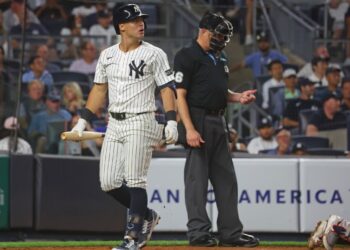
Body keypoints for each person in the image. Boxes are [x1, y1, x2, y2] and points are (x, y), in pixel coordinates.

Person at [70, 4, 178, 250]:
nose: (141, 24)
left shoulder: (154, 53)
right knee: (108, 182)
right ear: (121, 26)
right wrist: (83, 120)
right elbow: (99, 89)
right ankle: (147, 215)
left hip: (142, 118)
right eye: (135, 20)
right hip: (114, 121)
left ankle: (133, 237)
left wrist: (171, 119)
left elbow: (166, 88)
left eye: (142, 19)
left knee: (136, 180)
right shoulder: (107, 54)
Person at [174, 12, 259, 247]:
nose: (221, 38)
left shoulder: (219, 59)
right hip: (197, 119)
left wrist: (238, 97)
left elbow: (220, 92)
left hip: (218, 121)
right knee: (197, 181)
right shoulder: (186, 55)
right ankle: (199, 233)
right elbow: (179, 95)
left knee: (226, 180)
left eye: (224, 35)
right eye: (218, 34)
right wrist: (189, 129)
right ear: (203, 31)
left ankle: (231, 233)